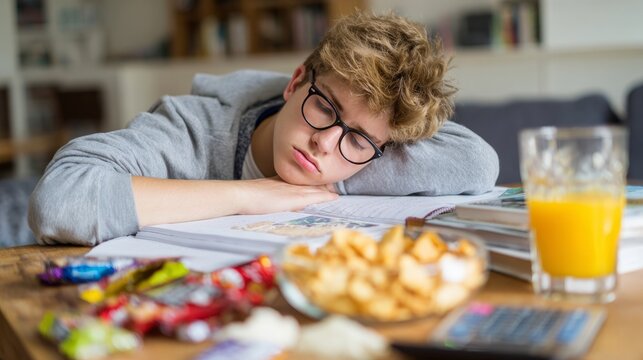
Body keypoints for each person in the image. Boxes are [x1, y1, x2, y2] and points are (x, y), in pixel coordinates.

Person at [29, 12, 499, 246]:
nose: (324, 143)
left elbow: (478, 161)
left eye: (357, 138)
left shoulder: (364, 155)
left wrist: (353, 156)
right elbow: (60, 198)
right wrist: (249, 194)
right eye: (325, 106)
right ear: (296, 81)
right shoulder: (193, 127)